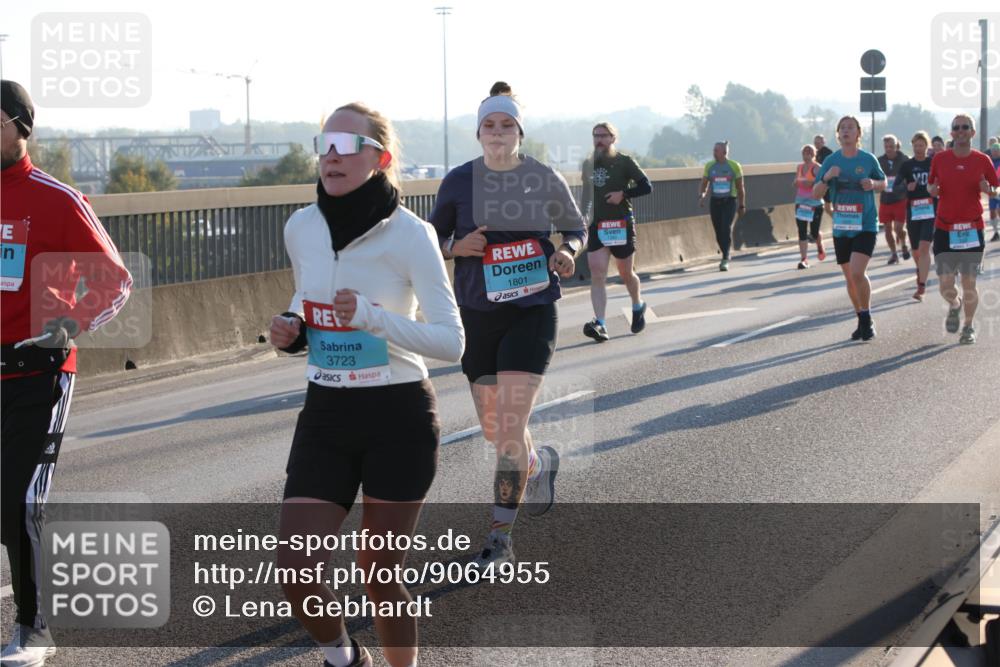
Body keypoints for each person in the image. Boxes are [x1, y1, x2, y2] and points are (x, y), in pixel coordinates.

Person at [271, 102, 464, 667]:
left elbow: (452, 342)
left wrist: (373, 318)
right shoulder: (301, 227)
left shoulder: (412, 235)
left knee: (379, 576)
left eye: (346, 144)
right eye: (324, 142)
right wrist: (292, 331)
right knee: (294, 565)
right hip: (326, 411)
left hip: (397, 416)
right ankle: (344, 658)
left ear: (379, 159)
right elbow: (306, 303)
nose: (330, 154)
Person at [1, 80, 132, 667]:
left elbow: (114, 278)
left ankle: (34, 629)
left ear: (18, 127)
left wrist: (65, 329)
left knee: (16, 502)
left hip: (37, 375)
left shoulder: (54, 198)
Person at [430, 82, 586, 570]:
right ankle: (536, 465)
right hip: (477, 315)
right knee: (497, 431)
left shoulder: (542, 178)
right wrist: (458, 248)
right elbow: (430, 241)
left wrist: (566, 252)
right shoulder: (458, 182)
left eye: (507, 125)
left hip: (532, 312)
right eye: (489, 125)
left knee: (512, 423)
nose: (498, 133)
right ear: (479, 133)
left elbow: (577, 229)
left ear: (519, 132)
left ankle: (500, 537)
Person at [927, 114, 1000, 344]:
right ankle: (955, 304)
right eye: (956, 127)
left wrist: (990, 190)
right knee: (946, 284)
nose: (960, 130)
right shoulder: (940, 159)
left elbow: (997, 189)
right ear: (951, 133)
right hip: (945, 228)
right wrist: (932, 190)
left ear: (972, 133)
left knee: (969, 282)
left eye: (965, 127)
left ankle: (968, 327)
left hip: (972, 228)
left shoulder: (982, 160)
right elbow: (931, 186)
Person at [812, 116, 887, 341]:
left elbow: (884, 183)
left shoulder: (868, 159)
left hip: (865, 224)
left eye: (850, 128)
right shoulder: (831, 161)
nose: (846, 131)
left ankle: (866, 318)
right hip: (842, 226)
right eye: (842, 128)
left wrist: (873, 184)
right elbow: (816, 193)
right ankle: (861, 317)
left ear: (858, 134)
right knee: (850, 278)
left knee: (857, 272)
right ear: (838, 134)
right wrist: (827, 177)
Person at [579, 121, 652, 341]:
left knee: (625, 273)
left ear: (613, 138)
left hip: (621, 224)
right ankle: (600, 324)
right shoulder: (588, 163)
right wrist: (583, 216)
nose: (599, 139)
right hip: (597, 226)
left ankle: (637, 305)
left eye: (603, 135)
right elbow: (586, 193)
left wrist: (624, 194)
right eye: (595, 136)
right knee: (598, 273)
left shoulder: (625, 162)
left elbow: (646, 186)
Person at [896, 131, 937, 301]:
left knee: (924, 247)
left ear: (927, 147)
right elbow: (895, 186)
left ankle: (921, 286)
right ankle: (920, 271)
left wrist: (937, 188)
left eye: (921, 145)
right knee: (916, 252)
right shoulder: (907, 165)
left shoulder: (933, 163)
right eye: (915, 146)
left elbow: (943, 181)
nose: (918, 149)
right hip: (913, 211)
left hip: (930, 210)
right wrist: (907, 187)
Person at [699, 141, 746, 271]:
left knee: (725, 227)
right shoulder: (710, 166)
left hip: (729, 201)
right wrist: (702, 195)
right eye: (713, 150)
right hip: (715, 202)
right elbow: (704, 183)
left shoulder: (734, 166)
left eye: (716, 151)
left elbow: (740, 187)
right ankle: (725, 251)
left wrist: (742, 205)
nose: (714, 153)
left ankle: (725, 257)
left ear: (724, 153)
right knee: (718, 232)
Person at [792, 144, 827, 268]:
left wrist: (811, 183)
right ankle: (804, 259)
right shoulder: (799, 167)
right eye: (804, 152)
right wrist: (797, 182)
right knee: (801, 231)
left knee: (814, 231)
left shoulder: (817, 167)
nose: (806, 154)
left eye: (809, 152)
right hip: (801, 202)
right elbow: (796, 181)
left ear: (813, 154)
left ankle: (819, 244)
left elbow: (823, 183)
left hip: (815, 203)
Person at [877, 135, 910, 264]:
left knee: (898, 228)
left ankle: (903, 244)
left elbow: (910, 177)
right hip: (885, 199)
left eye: (891, 146)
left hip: (900, 199)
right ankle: (894, 253)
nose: (889, 149)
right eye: (886, 147)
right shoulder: (879, 161)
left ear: (897, 146)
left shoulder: (904, 159)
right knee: (887, 229)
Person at [814, 134, 834, 215]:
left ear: (823, 142)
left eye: (818, 143)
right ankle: (837, 222)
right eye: (815, 143)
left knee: (828, 207)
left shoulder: (828, 152)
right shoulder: (816, 153)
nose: (816, 144)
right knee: (827, 208)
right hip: (820, 182)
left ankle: (839, 222)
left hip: (828, 183)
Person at [988, 142, 1000, 242]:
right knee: (992, 212)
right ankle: (996, 232)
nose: (995, 153)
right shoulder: (989, 161)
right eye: (993, 151)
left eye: (997, 151)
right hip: (992, 188)